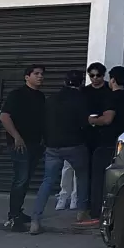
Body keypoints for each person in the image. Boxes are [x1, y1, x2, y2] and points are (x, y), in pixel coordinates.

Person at [30, 70, 94, 234]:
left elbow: (43, 121)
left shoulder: (51, 99)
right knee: (81, 177)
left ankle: (35, 220)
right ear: (80, 83)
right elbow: (84, 123)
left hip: (52, 146)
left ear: (65, 82)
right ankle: (81, 213)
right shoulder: (81, 99)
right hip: (74, 145)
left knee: (47, 181)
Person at [0, 65, 46, 232]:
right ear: (27, 77)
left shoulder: (40, 97)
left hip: (35, 144)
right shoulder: (17, 95)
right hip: (19, 145)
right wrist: (16, 137)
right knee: (20, 179)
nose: (40, 77)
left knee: (25, 180)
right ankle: (13, 216)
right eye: (36, 74)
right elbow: (4, 116)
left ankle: (18, 212)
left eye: (42, 74)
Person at [87, 66, 124, 219]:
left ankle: (97, 213)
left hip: (107, 143)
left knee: (99, 180)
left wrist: (93, 120)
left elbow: (107, 119)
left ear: (113, 80)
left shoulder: (112, 97)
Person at [57, 62, 108, 210]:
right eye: (92, 75)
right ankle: (64, 195)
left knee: (83, 169)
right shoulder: (83, 92)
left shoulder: (108, 91)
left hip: (99, 133)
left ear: (103, 76)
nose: (95, 78)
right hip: (80, 132)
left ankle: (76, 197)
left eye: (98, 75)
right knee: (68, 167)